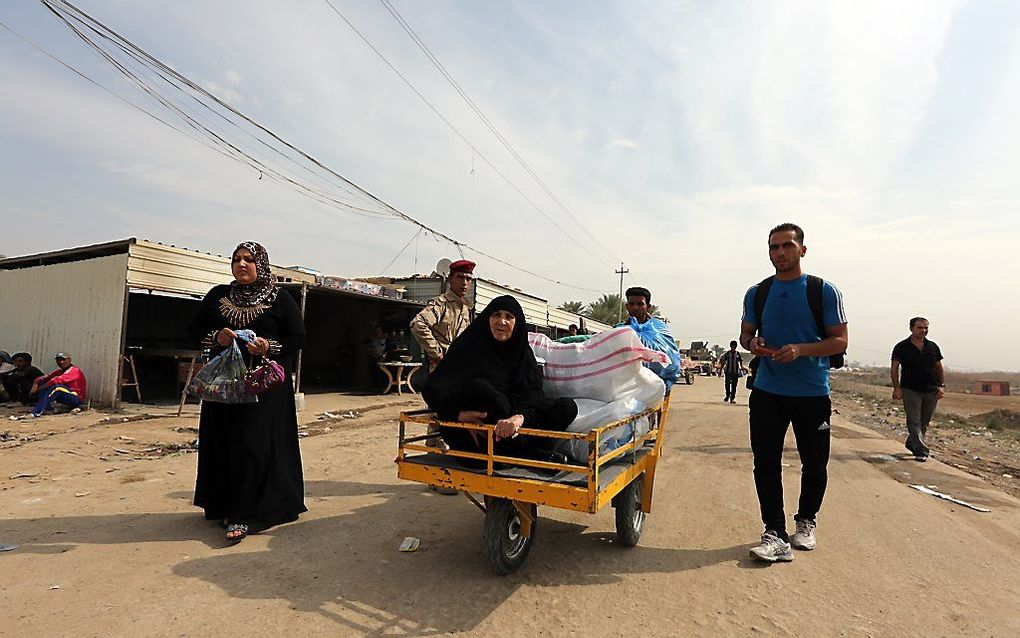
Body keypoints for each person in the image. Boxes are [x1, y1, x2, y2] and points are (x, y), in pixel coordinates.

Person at [739, 223, 848, 563]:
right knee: (765, 462)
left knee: (814, 464)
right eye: (774, 247)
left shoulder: (822, 291)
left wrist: (800, 349)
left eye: (787, 246)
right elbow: (745, 336)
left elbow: (840, 341)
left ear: (802, 249)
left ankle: (805, 521)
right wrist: (753, 343)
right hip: (768, 391)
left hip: (812, 394)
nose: (780, 253)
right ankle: (774, 532)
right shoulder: (758, 292)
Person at [188, 241, 306, 544]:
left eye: (249, 260)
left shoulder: (280, 299)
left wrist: (269, 346)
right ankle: (225, 505)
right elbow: (191, 331)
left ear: (261, 264)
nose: (242, 264)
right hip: (225, 386)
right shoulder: (218, 296)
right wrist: (218, 337)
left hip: (264, 387)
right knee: (225, 441)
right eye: (237, 259)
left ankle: (247, 513)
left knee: (252, 443)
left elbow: (298, 337)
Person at [422, 295, 578, 464]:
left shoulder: (522, 355)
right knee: (479, 388)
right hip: (478, 432)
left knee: (566, 407)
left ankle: (516, 453)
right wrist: (458, 414)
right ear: (488, 318)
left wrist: (518, 418)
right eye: (496, 315)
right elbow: (433, 388)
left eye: (508, 317)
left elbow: (533, 393)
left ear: (516, 323)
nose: (501, 322)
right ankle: (531, 455)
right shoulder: (468, 347)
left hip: (515, 427)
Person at [891, 317, 944, 462]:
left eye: (926, 328)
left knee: (924, 421)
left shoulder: (932, 347)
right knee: (913, 420)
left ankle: (912, 442)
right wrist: (897, 388)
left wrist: (941, 386)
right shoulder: (901, 347)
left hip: (931, 389)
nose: (923, 331)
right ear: (912, 328)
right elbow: (895, 368)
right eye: (920, 327)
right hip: (910, 389)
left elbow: (938, 367)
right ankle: (921, 450)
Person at [410, 259, 475, 370]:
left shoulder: (466, 308)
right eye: (460, 277)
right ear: (450, 279)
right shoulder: (441, 304)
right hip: (441, 370)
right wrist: (437, 354)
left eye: (468, 279)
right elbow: (417, 324)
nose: (464, 282)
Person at [617, 287, 681, 391]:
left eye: (640, 304)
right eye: (632, 304)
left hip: (654, 386)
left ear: (648, 306)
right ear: (627, 306)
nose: (635, 307)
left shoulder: (659, 329)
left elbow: (672, 362)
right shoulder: (619, 330)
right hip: (625, 387)